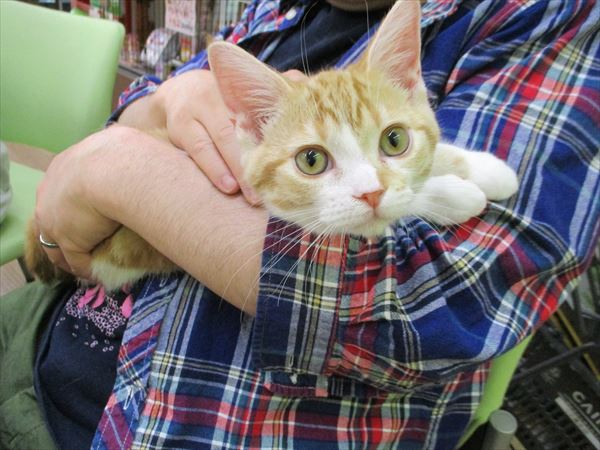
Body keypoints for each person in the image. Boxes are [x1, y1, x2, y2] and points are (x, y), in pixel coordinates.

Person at [2, 0, 599, 449]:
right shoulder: (277, 9)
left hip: (114, 423)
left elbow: (425, 305)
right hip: (50, 318)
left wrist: (116, 171)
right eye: (314, 160)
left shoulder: (542, 17)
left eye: (392, 142)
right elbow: (142, 111)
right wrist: (156, 105)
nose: (369, 189)